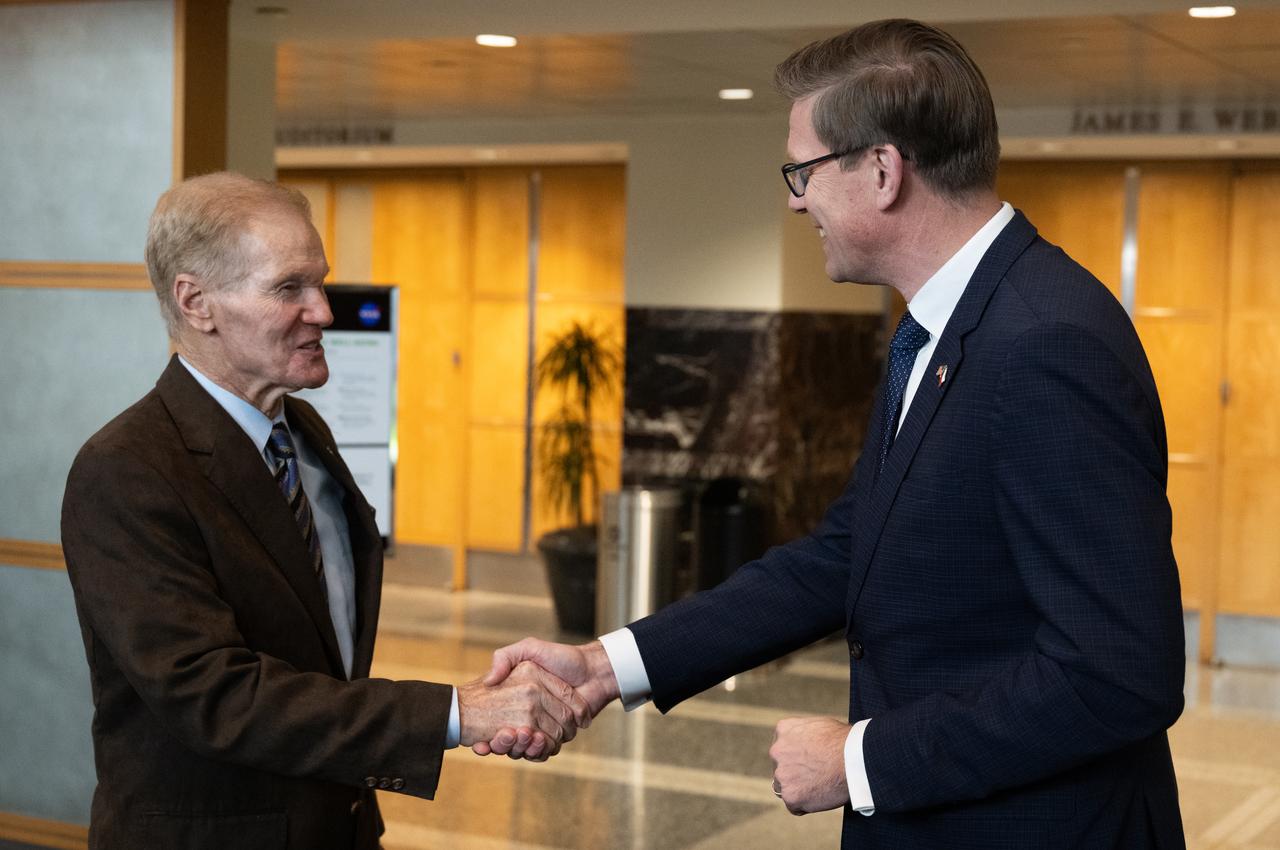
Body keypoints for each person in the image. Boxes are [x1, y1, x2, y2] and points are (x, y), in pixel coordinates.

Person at [480, 18, 1187, 849]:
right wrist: (605, 667)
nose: (793, 198)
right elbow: (846, 554)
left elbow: (1118, 672)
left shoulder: (1042, 341)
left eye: (803, 170)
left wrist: (861, 759)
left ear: (883, 170)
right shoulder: (944, 330)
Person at [61, 172, 588, 850]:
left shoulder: (304, 431)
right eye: (289, 288)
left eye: (320, 281)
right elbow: (214, 697)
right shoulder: (127, 469)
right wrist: (457, 713)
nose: (324, 311)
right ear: (197, 303)